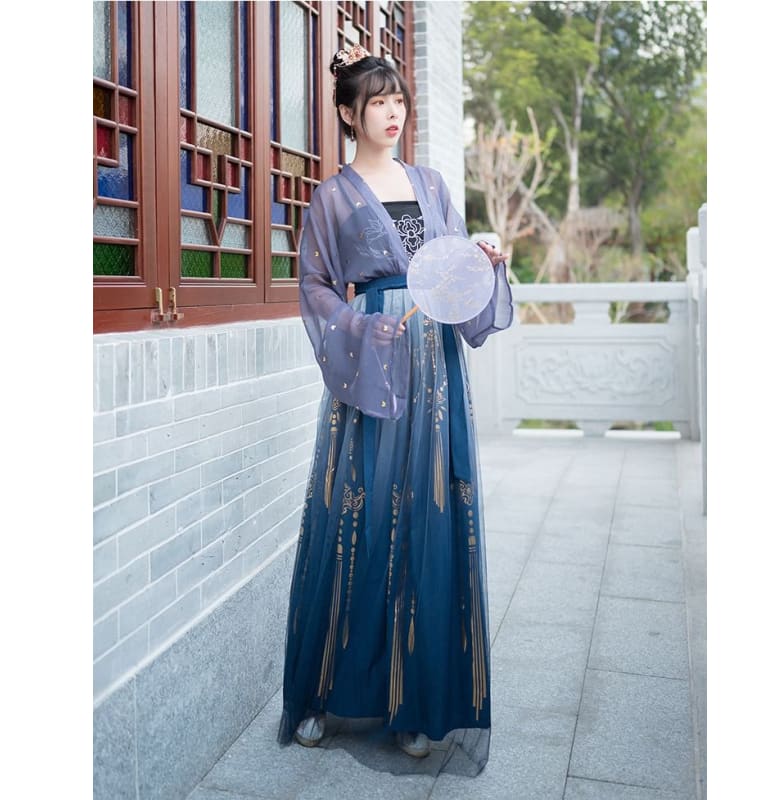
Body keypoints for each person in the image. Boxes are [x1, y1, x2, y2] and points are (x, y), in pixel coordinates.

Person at [277, 43, 513, 776]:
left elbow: (452, 272)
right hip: (374, 362)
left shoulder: (430, 183)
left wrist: (484, 258)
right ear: (349, 113)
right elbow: (315, 287)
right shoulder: (332, 197)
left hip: (434, 367)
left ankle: (418, 704)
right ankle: (323, 694)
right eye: (377, 102)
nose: (392, 113)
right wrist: (360, 324)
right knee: (358, 515)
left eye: (399, 100)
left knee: (428, 516)